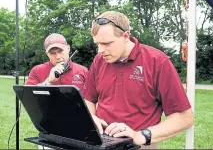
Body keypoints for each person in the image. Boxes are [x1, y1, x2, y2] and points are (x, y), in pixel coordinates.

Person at [82, 11, 194, 149]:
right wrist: (90, 118)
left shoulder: (157, 61)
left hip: (138, 145)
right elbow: (89, 99)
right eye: (97, 44)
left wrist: (139, 135)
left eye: (107, 43)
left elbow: (184, 117)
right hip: (101, 143)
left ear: (125, 36)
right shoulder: (99, 60)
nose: (100, 50)